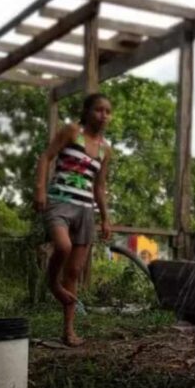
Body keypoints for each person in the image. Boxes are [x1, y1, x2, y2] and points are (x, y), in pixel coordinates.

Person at [34, 93, 113, 347]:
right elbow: (46, 157)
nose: (104, 115)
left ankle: (68, 331)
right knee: (63, 247)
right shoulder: (71, 132)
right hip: (59, 202)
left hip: (85, 210)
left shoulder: (105, 149)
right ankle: (52, 283)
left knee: (75, 270)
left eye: (107, 112)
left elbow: (99, 187)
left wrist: (105, 219)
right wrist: (40, 190)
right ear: (87, 112)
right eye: (99, 110)